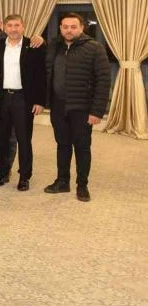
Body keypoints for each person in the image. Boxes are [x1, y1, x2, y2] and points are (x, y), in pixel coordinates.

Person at [44, 12, 110, 202]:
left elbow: (103, 81)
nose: (69, 30)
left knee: (82, 147)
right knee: (62, 145)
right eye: (65, 27)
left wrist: (97, 111)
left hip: (82, 108)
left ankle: (82, 185)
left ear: (82, 28)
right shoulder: (54, 46)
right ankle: (62, 181)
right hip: (58, 107)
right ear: (60, 28)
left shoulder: (94, 48)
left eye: (73, 27)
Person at [0, 14, 46, 191]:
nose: (13, 29)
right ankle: (3, 172)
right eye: (10, 25)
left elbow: (41, 75)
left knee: (24, 139)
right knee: (2, 138)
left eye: (17, 25)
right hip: (2, 98)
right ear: (4, 27)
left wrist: (40, 101)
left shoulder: (33, 46)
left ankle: (24, 176)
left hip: (23, 99)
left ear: (23, 26)